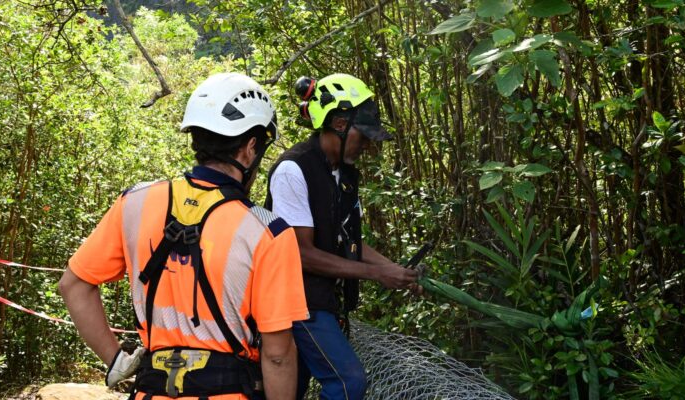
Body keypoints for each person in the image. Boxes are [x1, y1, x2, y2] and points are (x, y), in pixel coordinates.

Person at [59, 72, 309, 400]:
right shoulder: (268, 231)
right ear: (250, 149)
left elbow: (73, 284)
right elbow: (278, 354)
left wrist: (116, 359)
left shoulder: (135, 202)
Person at [264, 73, 420, 400]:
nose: (366, 145)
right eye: (362, 136)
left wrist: (396, 270)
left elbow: (349, 240)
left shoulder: (344, 175)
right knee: (348, 382)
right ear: (338, 123)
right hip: (297, 301)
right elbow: (299, 253)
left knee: (291, 389)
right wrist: (378, 274)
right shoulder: (294, 170)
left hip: (324, 300)